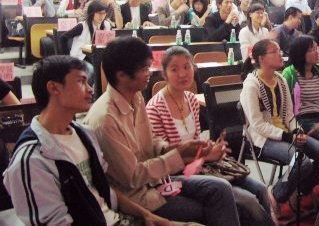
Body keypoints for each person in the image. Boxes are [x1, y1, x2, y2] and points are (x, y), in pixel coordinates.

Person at [83, 37, 240, 225]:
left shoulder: (135, 96)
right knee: (212, 207)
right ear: (122, 75)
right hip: (137, 197)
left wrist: (173, 148)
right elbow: (133, 177)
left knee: (221, 189)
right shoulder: (105, 119)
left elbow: (151, 140)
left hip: (157, 182)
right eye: (144, 69)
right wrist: (180, 155)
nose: (149, 73)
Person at [3, 55, 172, 226]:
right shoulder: (32, 159)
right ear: (54, 88)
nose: (90, 89)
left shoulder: (84, 134)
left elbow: (106, 191)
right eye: (81, 82)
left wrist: (144, 214)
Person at [146, 46, 274, 225]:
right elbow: (164, 158)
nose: (182, 74)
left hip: (202, 166)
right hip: (176, 173)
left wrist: (211, 149)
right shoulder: (155, 108)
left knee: (260, 189)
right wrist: (205, 155)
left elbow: (196, 142)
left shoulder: (191, 99)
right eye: (174, 69)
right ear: (164, 74)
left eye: (187, 67)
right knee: (248, 201)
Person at [239, 39, 319, 216]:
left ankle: (298, 190)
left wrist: (296, 131)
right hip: (264, 139)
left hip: (286, 133)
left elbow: (289, 115)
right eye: (275, 51)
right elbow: (257, 124)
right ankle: (276, 195)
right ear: (261, 59)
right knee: (302, 162)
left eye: (279, 50)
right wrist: (288, 136)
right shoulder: (251, 85)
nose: (280, 54)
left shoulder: (280, 80)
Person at [282, 35, 319, 134]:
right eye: (311, 50)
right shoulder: (289, 74)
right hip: (301, 119)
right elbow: (285, 106)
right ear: (300, 53)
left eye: (317, 48)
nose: (317, 52)